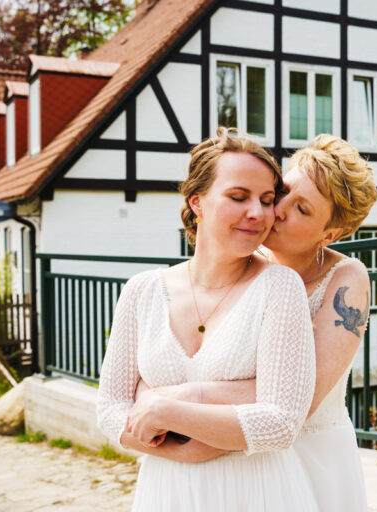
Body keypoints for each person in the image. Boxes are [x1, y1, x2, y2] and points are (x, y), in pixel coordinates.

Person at [136, 134, 377, 511]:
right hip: (233, 453)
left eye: (302, 209)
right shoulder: (244, 258)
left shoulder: (347, 279)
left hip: (312, 455)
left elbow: (300, 395)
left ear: (329, 234)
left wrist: (180, 398)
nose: (276, 211)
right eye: (281, 194)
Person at [96, 128, 319, 511]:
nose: (258, 213)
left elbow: (282, 423)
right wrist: (185, 454)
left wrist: (162, 409)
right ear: (197, 202)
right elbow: (110, 409)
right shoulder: (142, 291)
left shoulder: (280, 287)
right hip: (167, 490)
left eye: (267, 201)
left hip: (257, 491)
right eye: (238, 197)